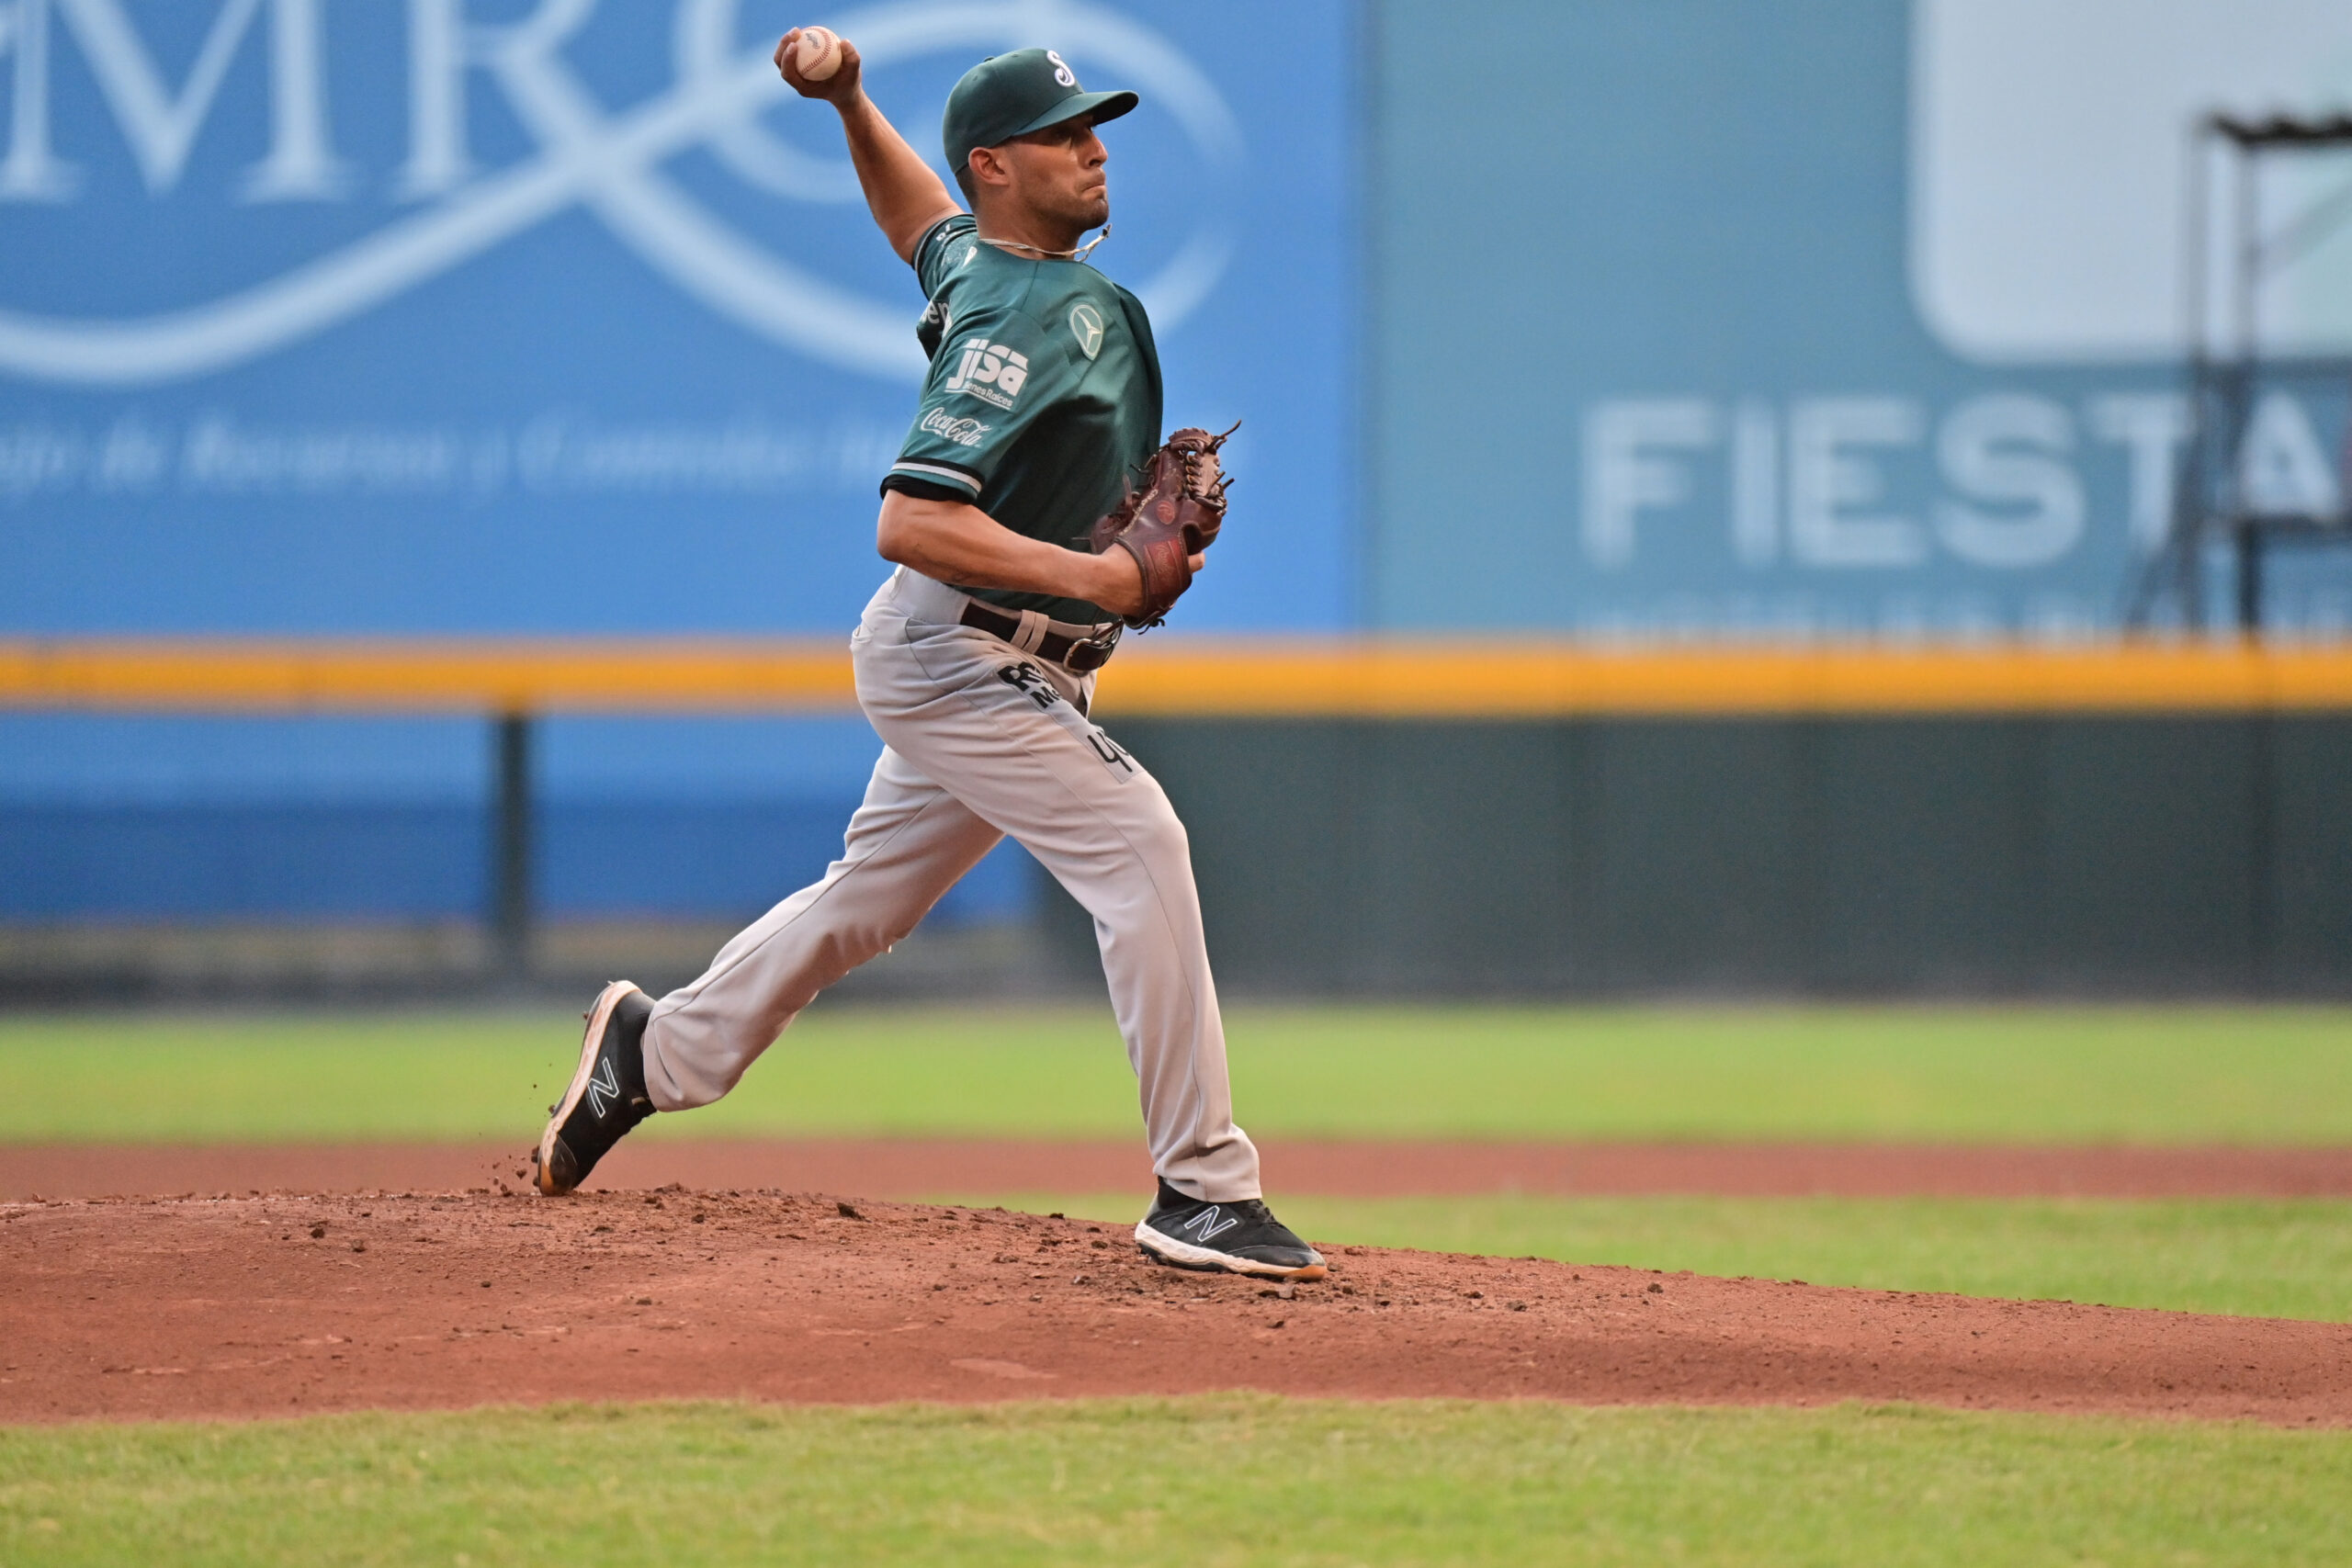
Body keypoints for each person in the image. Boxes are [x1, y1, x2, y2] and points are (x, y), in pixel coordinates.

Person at [533, 33, 1324, 1280]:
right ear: (997, 164)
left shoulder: (994, 264)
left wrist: (852, 101)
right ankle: (1204, 1189)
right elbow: (910, 518)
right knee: (1142, 845)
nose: (1096, 147)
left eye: (1097, 126)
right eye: (1065, 134)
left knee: (865, 904)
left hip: (1003, 655)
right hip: (960, 654)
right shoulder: (1013, 317)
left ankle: (653, 1053)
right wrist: (1099, 578)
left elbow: (922, 222)